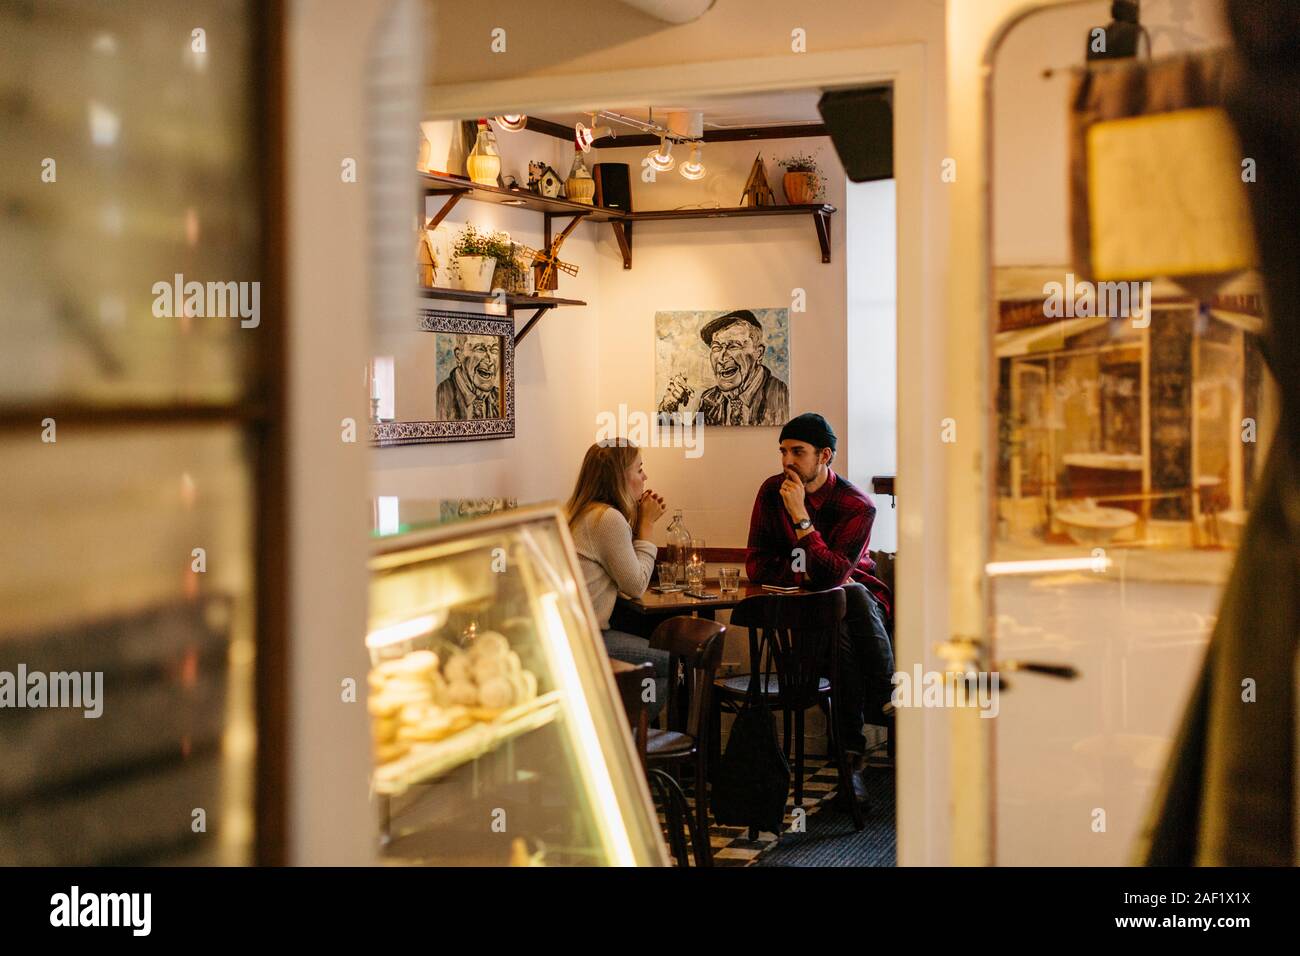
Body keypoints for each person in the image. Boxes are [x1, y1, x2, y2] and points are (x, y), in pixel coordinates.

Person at [744, 412, 894, 802]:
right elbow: (757, 564)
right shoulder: (770, 491)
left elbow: (835, 576)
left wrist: (802, 520)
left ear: (824, 455)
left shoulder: (857, 506)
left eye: (798, 451)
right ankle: (885, 694)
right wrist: (811, 576)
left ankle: (850, 763)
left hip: (860, 611)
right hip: (803, 608)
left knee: (848, 605)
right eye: (782, 451)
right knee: (842, 604)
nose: (786, 461)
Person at [565, 439, 671, 721]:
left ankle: (623, 733)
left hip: (570, 635)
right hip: (587, 640)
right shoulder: (606, 519)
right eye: (639, 469)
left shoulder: (579, 512)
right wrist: (646, 526)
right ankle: (633, 745)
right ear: (619, 476)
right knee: (676, 662)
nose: (645, 477)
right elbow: (635, 584)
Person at [658, 310, 789, 426]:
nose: (721, 357)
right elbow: (693, 439)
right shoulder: (710, 399)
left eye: (733, 346)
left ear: (758, 353)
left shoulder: (780, 396)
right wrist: (668, 409)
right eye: (716, 347)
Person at [435, 333, 500, 421]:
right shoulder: (442, 394)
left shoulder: (500, 397)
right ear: (459, 356)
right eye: (480, 349)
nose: (490, 360)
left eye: (494, 350)